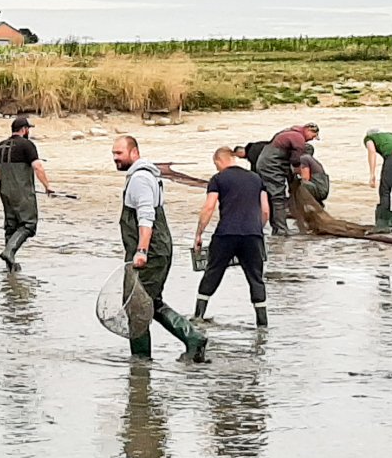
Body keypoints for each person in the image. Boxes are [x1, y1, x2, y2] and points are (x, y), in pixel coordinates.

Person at [112, 135, 208, 362]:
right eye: (113, 154)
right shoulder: (142, 176)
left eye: (119, 153)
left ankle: (141, 362)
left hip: (151, 252)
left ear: (134, 152)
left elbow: (147, 217)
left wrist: (142, 251)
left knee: (136, 306)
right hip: (157, 249)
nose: (115, 158)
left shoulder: (140, 179)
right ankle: (193, 338)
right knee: (150, 302)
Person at [193, 147, 270, 326]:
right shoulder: (255, 178)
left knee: (213, 272)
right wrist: (257, 229)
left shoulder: (218, 179)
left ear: (219, 160)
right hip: (253, 235)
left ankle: (198, 316)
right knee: (255, 278)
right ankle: (262, 323)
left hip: (226, 234)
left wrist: (199, 233)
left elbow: (209, 207)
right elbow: (265, 210)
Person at [0, 116, 53, 271]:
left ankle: (10, 266)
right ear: (24, 130)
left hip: (4, 191)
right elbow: (38, 167)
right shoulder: (27, 145)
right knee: (28, 225)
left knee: (11, 226)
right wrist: (47, 186)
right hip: (22, 193)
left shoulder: (1, 146)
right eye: (28, 129)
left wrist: (4, 179)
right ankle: (9, 251)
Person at [255, 123, 319, 236]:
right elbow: (295, 161)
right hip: (271, 165)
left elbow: (288, 162)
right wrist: (299, 173)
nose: (311, 140)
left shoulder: (289, 132)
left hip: (267, 162)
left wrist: (292, 178)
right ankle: (281, 230)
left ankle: (277, 228)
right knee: (277, 197)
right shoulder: (298, 139)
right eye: (313, 137)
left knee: (273, 197)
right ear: (308, 130)